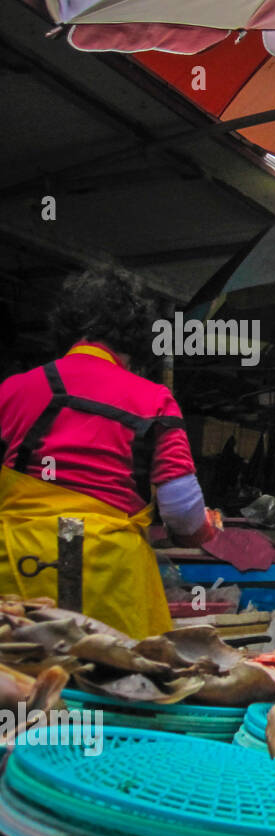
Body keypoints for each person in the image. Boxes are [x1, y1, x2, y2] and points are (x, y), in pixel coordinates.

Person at [0, 266, 219, 639]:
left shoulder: (14, 389)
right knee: (112, 685)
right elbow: (181, 511)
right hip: (110, 573)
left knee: (23, 682)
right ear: (135, 339)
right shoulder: (154, 400)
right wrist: (204, 531)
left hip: (17, 567)